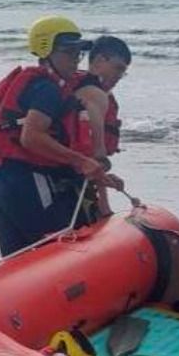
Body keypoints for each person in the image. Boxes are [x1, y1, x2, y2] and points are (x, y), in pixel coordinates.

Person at [0, 15, 118, 257]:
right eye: (68, 53)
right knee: (58, 257)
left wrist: (96, 174)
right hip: (30, 183)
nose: (75, 60)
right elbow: (32, 136)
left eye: (78, 53)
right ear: (46, 51)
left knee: (17, 261)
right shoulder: (47, 89)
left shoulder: (33, 83)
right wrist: (80, 160)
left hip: (3, 183)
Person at [73, 35, 132, 221]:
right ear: (99, 60)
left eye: (123, 72)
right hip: (70, 182)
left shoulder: (76, 88)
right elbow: (97, 156)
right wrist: (105, 208)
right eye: (118, 68)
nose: (119, 76)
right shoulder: (94, 96)